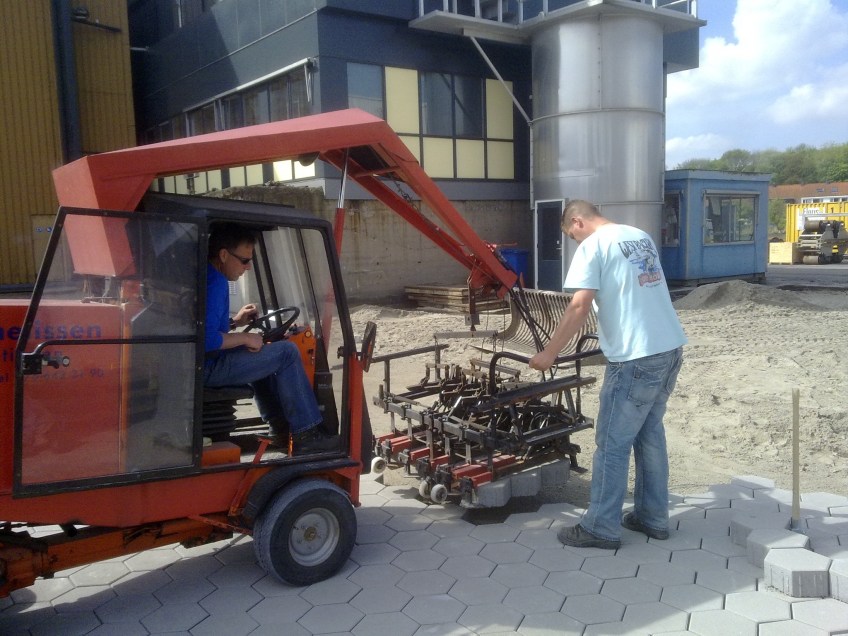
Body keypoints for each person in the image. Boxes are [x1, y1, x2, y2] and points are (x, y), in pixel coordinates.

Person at [529, 200, 686, 549]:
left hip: (636, 358)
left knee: (612, 444)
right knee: (649, 435)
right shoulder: (639, 236)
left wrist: (549, 353)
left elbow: (579, 305)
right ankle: (652, 518)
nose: (576, 242)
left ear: (577, 221)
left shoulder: (594, 245)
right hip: (669, 348)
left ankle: (600, 527)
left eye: (573, 236)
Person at [203, 223, 337, 455]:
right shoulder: (216, 283)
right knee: (286, 353)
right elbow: (206, 340)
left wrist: (236, 322)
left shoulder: (208, 275)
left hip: (202, 362)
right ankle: (307, 434)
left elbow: (204, 328)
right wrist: (245, 337)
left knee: (262, 352)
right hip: (207, 367)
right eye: (244, 261)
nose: (248, 267)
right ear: (223, 255)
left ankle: (280, 430)